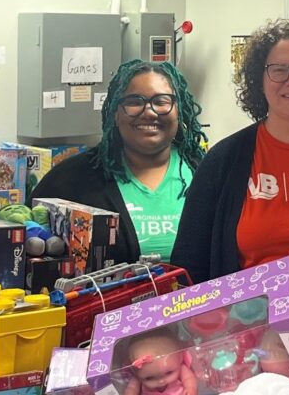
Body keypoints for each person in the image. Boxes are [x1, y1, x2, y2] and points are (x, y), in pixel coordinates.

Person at [170, 17, 289, 283]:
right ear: (259, 79)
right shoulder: (223, 161)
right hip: (247, 321)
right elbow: (189, 265)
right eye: (279, 70)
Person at [31, 59, 205, 263]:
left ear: (179, 111)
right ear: (115, 113)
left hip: (201, 295)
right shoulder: (73, 179)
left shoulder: (207, 172)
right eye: (134, 101)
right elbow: (22, 228)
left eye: (161, 101)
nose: (149, 112)